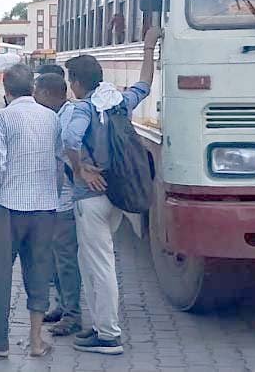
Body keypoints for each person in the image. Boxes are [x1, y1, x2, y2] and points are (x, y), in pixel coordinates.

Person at [62, 26, 159, 355]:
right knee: (96, 262)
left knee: (98, 264)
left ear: (76, 82)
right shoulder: (118, 103)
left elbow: (70, 139)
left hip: (90, 198)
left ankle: (109, 335)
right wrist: (148, 48)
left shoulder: (83, 108)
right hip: (116, 193)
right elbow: (145, 85)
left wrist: (80, 169)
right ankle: (100, 327)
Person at [0, 64, 59, 360]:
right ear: (32, 88)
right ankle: (35, 340)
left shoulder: (1, 118)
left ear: (5, 90)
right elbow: (57, 161)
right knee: (39, 272)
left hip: (9, 208)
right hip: (46, 207)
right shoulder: (51, 118)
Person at [32, 72, 83, 337]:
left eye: (37, 93)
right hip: (54, 200)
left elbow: (68, 158)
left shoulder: (67, 118)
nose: (34, 98)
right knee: (55, 258)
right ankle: (63, 306)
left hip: (66, 201)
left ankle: (73, 314)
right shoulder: (57, 116)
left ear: (49, 94)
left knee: (65, 260)